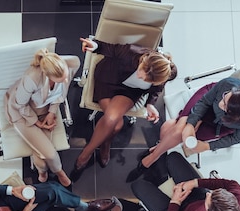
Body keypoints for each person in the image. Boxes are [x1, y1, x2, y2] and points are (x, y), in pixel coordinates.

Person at [71, 37, 177, 181]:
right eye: (141, 70)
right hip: (109, 81)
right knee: (117, 124)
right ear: (144, 61)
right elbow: (107, 48)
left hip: (129, 92)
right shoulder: (132, 52)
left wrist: (150, 104)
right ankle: (96, 147)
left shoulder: (161, 75)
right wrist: (94, 45)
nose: (140, 76)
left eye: (147, 79)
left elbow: (156, 90)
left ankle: (92, 150)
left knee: (114, 121)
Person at [125, 77, 240, 183]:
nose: (220, 103)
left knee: (168, 128)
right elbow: (205, 101)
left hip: (218, 125)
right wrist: (190, 123)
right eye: (225, 97)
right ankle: (154, 156)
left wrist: (207, 146)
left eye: (224, 106)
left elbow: (234, 139)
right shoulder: (228, 84)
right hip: (205, 102)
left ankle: (158, 149)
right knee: (177, 130)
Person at [6, 49, 81, 187]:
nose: (66, 80)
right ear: (46, 75)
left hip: (45, 108)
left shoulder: (67, 65)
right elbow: (20, 105)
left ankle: (42, 171)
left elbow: (60, 94)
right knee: (50, 156)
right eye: (61, 79)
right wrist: (38, 123)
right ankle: (59, 171)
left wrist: (52, 112)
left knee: (41, 160)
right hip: (23, 113)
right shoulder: (32, 79)